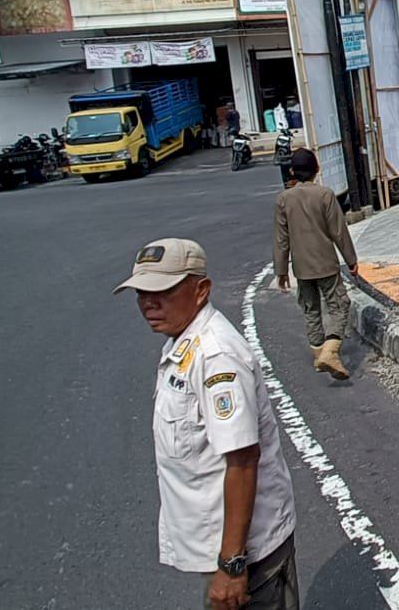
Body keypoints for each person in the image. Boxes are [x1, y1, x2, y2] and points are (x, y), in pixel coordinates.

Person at [116, 238, 299, 610]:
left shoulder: (217, 356)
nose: (149, 303)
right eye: (141, 293)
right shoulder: (181, 342)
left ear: (201, 290)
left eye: (162, 291)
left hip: (245, 555)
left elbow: (243, 460)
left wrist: (232, 565)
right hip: (220, 546)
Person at [273, 148, 359, 379]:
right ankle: (331, 351)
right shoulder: (325, 195)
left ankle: (319, 353)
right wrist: (351, 260)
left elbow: (281, 239)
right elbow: (339, 231)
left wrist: (281, 270)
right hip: (326, 264)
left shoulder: (283, 199)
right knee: (339, 305)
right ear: (317, 169)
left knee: (311, 309)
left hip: (301, 268)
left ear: (292, 171)